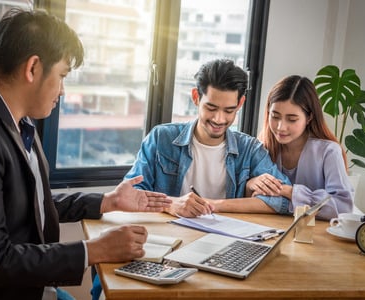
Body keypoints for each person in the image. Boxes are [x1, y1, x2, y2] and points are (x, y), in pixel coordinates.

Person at [0, 8, 171, 300]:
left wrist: (108, 201)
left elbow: (30, 202)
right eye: (62, 76)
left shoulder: (20, 121)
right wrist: (94, 250)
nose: (62, 91)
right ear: (33, 68)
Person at [124, 58, 292, 217]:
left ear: (240, 104)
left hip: (225, 239)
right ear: (196, 97)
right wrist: (170, 205)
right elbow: (130, 193)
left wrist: (215, 204)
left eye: (229, 111)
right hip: (170, 236)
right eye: (211, 108)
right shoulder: (161, 138)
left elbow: (284, 200)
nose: (219, 119)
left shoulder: (250, 149)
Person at [249, 75, 354, 220]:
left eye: (292, 119)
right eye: (275, 116)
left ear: (309, 117)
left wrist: (289, 192)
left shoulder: (329, 151)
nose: (281, 127)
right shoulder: (262, 147)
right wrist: (251, 184)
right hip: (269, 230)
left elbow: (343, 207)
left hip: (315, 236)